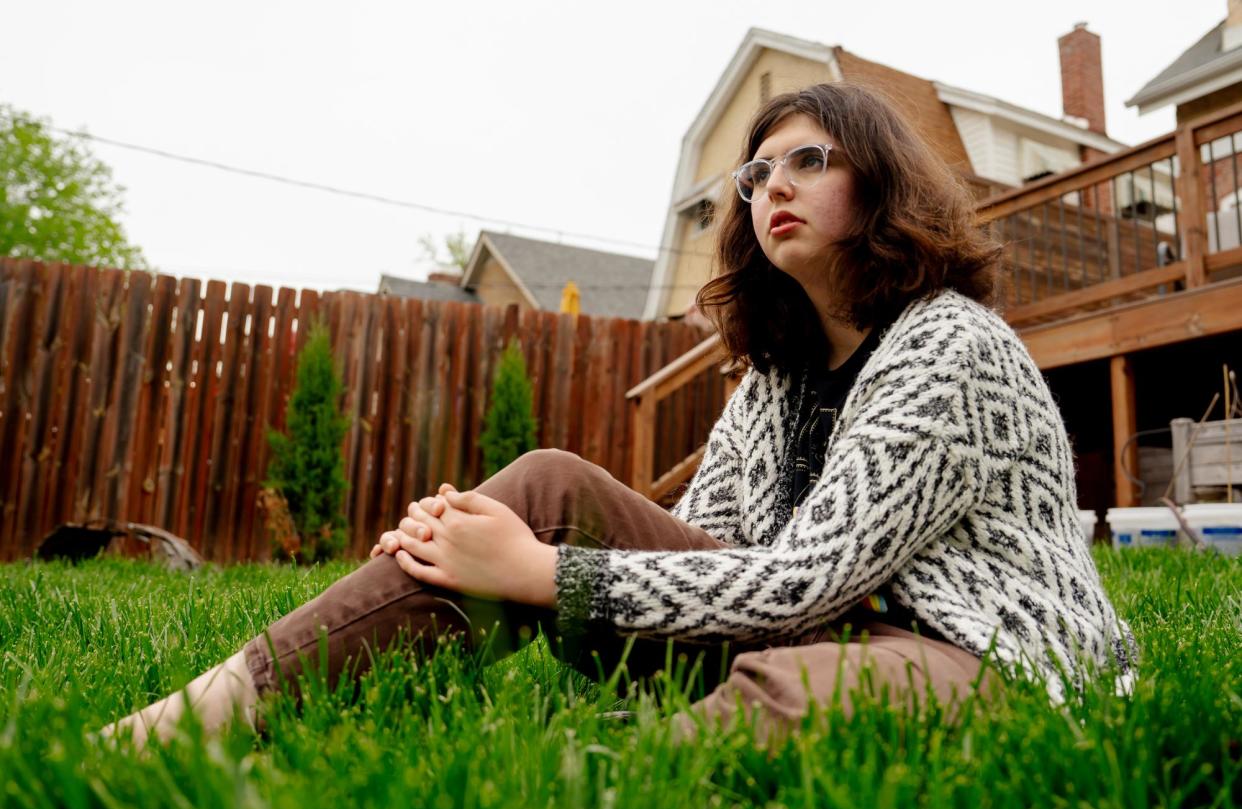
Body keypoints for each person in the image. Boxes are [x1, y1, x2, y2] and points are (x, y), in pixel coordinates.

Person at [103, 83, 1135, 748]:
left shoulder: (948, 342)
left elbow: (813, 578)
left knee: (794, 702)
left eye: (809, 160)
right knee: (547, 487)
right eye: (756, 173)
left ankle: (594, 781)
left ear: (884, 180)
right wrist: (468, 550)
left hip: (981, 654)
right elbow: (711, 551)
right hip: (803, 624)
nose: (772, 186)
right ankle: (209, 712)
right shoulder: (777, 375)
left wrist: (539, 575)